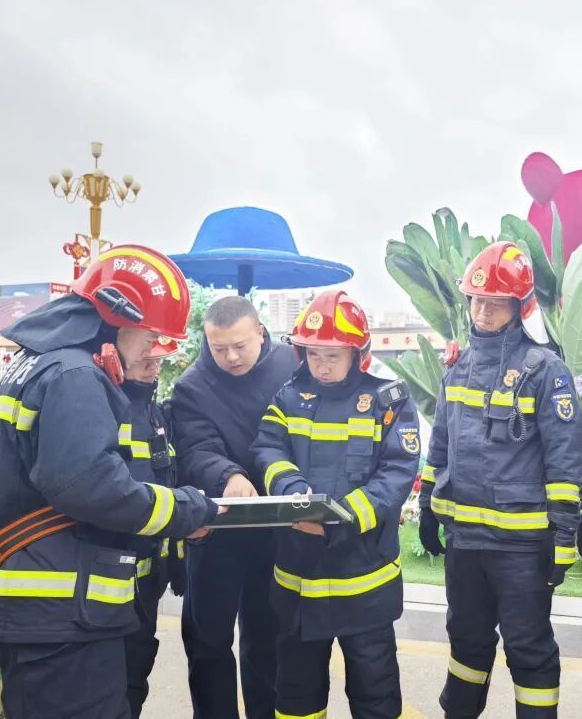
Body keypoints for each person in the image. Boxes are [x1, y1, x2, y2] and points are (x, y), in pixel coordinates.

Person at [0, 245, 218, 719]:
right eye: (148, 334)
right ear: (115, 315)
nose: (153, 348)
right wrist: (189, 510)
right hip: (64, 618)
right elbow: (90, 484)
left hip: (48, 614)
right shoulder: (74, 374)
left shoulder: (36, 364)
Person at [417, 241, 582, 718]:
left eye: (496, 302)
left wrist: (564, 535)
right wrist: (429, 497)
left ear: (519, 306)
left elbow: (565, 458)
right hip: (466, 544)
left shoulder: (546, 370)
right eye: (477, 299)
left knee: (528, 650)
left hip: (522, 547)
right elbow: (442, 443)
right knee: (466, 644)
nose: (484, 311)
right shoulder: (459, 369)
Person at [251, 290, 419, 719]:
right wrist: (293, 494)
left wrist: (336, 522)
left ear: (357, 354)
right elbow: (268, 450)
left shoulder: (390, 401)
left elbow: (397, 474)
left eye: (333, 355)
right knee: (296, 696)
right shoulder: (287, 398)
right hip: (297, 579)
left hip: (365, 580)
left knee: (375, 693)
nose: (321, 366)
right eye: (312, 354)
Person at [171, 296, 297, 719]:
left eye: (240, 345)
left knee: (268, 637)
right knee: (207, 641)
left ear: (261, 333)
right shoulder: (191, 386)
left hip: (276, 527)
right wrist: (228, 475)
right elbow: (195, 447)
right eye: (218, 347)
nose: (230, 357)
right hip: (217, 529)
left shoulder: (291, 366)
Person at [120, 339, 182, 718]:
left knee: (134, 675)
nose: (153, 362)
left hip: (147, 580)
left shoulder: (155, 414)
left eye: (157, 355)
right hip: (109, 581)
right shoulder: (103, 407)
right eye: (144, 354)